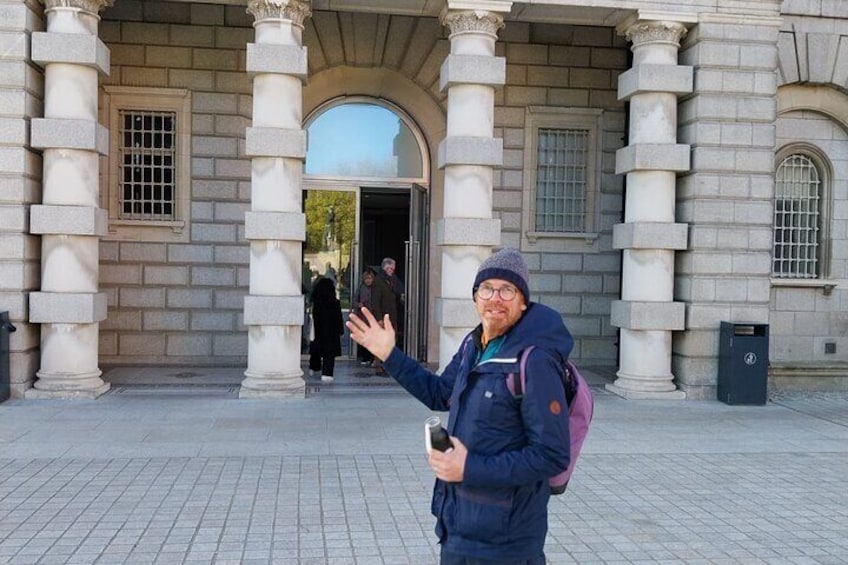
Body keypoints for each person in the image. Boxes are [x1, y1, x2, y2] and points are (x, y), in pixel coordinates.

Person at [347, 248, 573, 563]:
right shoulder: (474, 344)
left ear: (523, 302)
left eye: (507, 290)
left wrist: (469, 467)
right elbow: (439, 392)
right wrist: (390, 355)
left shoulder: (534, 361)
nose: (495, 297)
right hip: (458, 527)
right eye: (487, 288)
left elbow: (552, 455)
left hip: (505, 543)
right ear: (475, 297)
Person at [308, 277, 344, 383]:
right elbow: (338, 318)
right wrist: (340, 330)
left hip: (319, 331)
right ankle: (327, 374)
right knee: (329, 354)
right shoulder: (335, 303)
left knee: (316, 350)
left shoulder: (317, 303)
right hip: (331, 333)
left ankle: (314, 367)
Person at [364, 266, 396, 376]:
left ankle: (383, 365)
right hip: (382, 318)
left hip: (388, 316)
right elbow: (375, 302)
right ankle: (378, 366)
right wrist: (379, 318)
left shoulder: (389, 281)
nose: (392, 271)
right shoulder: (378, 283)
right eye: (390, 269)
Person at [379, 257, 405, 348]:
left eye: (392, 269)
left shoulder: (393, 278)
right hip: (382, 312)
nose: (391, 271)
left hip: (391, 312)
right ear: (384, 268)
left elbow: (400, 288)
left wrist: (402, 294)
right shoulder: (379, 280)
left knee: (391, 336)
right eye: (389, 268)